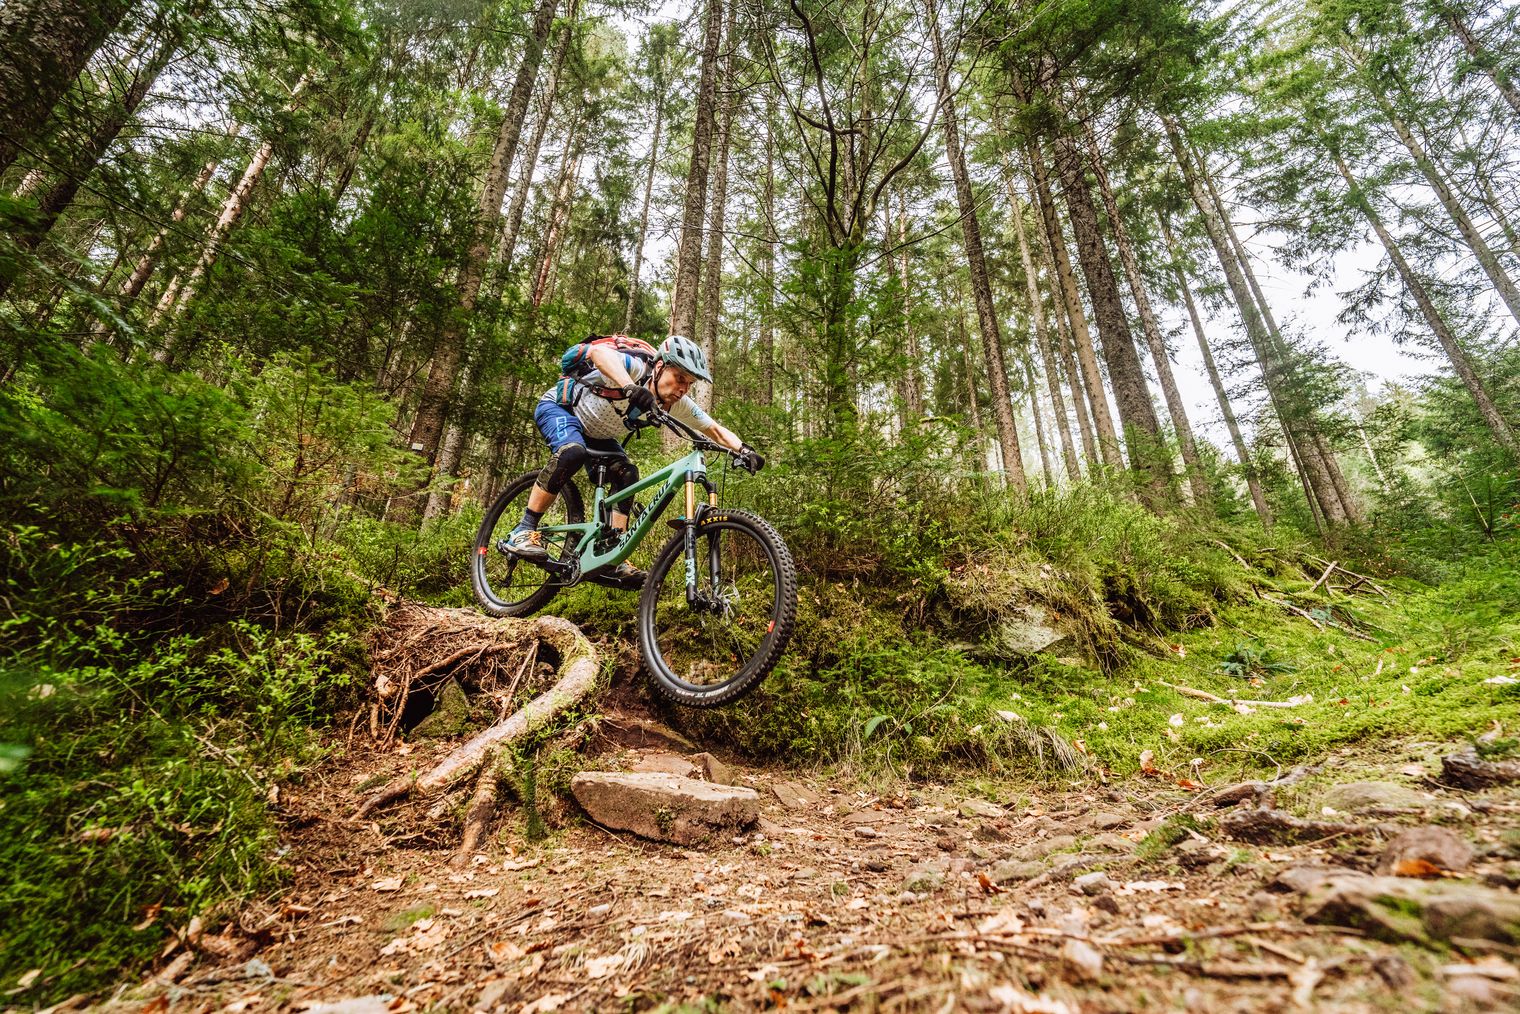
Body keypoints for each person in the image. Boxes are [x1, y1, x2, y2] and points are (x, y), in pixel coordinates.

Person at [504, 334, 763, 581]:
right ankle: (523, 529)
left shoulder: (677, 402)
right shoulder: (636, 368)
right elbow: (598, 353)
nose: (683, 388)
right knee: (572, 452)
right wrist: (629, 386)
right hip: (561, 409)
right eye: (679, 377)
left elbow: (712, 429)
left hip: (599, 436)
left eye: (689, 383)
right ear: (660, 367)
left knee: (628, 474)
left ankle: (612, 551)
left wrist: (744, 449)